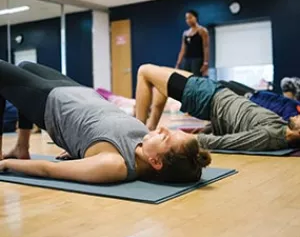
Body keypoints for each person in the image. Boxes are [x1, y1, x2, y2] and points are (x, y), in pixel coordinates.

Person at [0, 61, 211, 184]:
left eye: (165, 137)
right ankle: (22, 146)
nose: (163, 128)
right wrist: (80, 153)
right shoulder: (144, 143)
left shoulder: (114, 165)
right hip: (75, 89)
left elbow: (49, 170)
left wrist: (7, 164)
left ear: (155, 161)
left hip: (50, 102)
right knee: (25, 64)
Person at [135, 64, 300, 151]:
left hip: (207, 96)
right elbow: (240, 121)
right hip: (214, 92)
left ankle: (135, 135)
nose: (298, 115)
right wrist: (208, 128)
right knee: (160, 79)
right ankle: (148, 128)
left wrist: (191, 139)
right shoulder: (280, 127)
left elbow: (228, 142)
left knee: (144, 71)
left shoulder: (272, 136)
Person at [220, 80, 300, 121]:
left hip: (252, 98)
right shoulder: (294, 107)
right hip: (255, 94)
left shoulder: (293, 111)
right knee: (227, 83)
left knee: (222, 85)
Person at [175, 10, 209, 76]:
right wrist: (178, 63)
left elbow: (206, 47)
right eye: (186, 18)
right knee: (186, 79)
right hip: (186, 60)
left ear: (195, 18)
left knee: (196, 80)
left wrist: (206, 63)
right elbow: (183, 49)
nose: (188, 20)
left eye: (190, 17)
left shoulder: (202, 30)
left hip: (197, 59)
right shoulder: (185, 33)